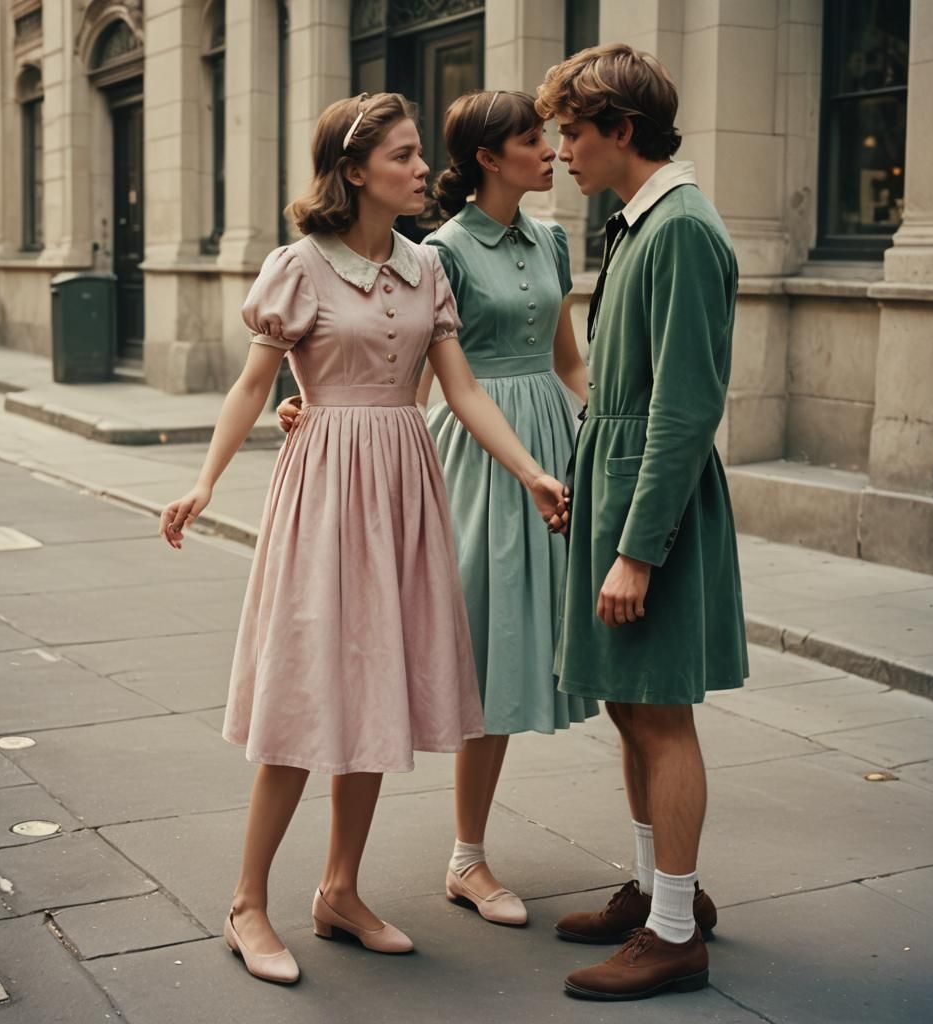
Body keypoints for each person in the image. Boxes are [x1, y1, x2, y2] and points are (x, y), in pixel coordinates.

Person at [158, 91, 568, 985]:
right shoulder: (299, 265)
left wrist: (531, 470)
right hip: (325, 492)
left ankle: (340, 890)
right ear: (354, 172)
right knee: (307, 698)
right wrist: (203, 480)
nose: (424, 169)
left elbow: (461, 390)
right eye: (405, 156)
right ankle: (247, 904)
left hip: (405, 484)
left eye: (422, 154)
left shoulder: (427, 267)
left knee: (377, 691)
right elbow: (250, 387)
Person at [279, 89, 599, 928]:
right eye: (535, 139)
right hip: (464, 456)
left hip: (544, 447)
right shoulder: (441, 250)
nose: (553, 151)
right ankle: (466, 856)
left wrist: (602, 434)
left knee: (547, 644)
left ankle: (640, 868)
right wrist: (325, 414)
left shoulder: (555, 240)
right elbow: (409, 373)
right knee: (478, 647)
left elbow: (570, 360)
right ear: (490, 156)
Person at [535, 44, 748, 1000]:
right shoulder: (635, 224)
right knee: (629, 706)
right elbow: (618, 393)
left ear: (623, 129)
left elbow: (686, 408)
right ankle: (666, 893)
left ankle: (674, 936)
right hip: (619, 497)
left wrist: (635, 550)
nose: (564, 152)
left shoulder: (682, 231)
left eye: (574, 134)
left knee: (660, 713)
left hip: (650, 517)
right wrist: (588, 493)